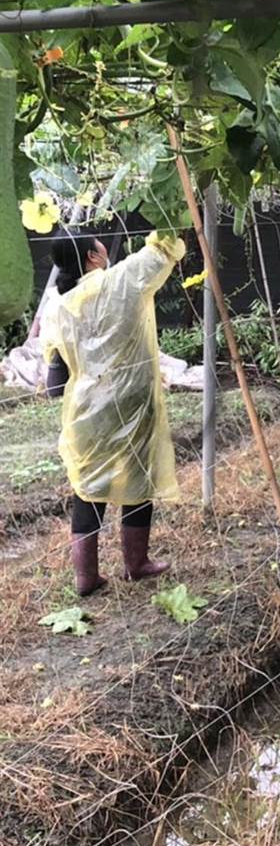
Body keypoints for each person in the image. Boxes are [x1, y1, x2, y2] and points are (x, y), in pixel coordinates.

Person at [41, 226, 186, 597]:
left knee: (88, 489)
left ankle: (85, 577)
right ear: (93, 256)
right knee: (138, 480)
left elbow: (54, 383)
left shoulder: (57, 306)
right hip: (132, 401)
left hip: (85, 411)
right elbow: (163, 247)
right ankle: (136, 564)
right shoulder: (121, 280)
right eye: (97, 243)